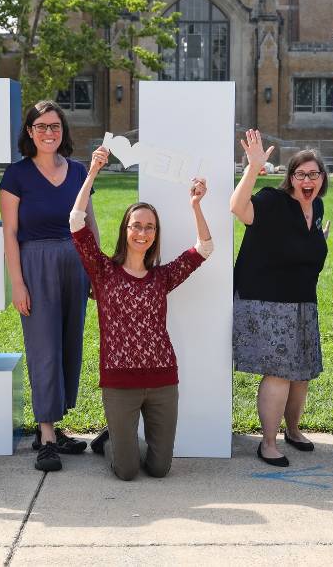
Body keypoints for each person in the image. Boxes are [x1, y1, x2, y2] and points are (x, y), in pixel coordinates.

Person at [70, 146, 212, 480]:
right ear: (125, 230)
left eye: (149, 227)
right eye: (136, 225)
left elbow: (205, 247)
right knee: (127, 471)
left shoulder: (162, 277)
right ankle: (110, 442)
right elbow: (77, 222)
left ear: (155, 235)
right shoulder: (103, 271)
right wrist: (92, 172)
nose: (142, 232)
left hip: (163, 379)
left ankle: (121, 441)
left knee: (160, 469)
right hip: (120, 382)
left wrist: (195, 205)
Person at [0, 101, 99, 472]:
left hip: (75, 263)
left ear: (63, 131)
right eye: (41, 127)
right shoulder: (16, 176)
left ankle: (58, 427)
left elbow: (89, 223)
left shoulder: (77, 172)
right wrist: (18, 284)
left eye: (54, 126)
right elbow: (10, 233)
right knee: (43, 347)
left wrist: (95, 269)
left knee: (69, 344)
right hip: (36, 263)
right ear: (29, 131)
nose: (48, 133)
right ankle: (45, 436)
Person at [230, 131, 329, 467]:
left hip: (302, 303)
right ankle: (268, 443)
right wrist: (253, 168)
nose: (307, 180)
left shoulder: (316, 206)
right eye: (300, 174)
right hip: (268, 303)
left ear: (322, 180)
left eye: (314, 174)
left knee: (300, 373)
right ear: (290, 178)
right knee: (280, 373)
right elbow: (237, 208)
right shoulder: (272, 200)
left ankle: (294, 430)